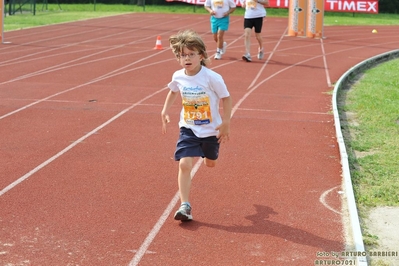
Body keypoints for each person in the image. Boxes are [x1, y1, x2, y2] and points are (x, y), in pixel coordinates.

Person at [161, 29, 232, 221]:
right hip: (189, 128)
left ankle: (209, 154)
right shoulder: (178, 76)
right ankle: (185, 205)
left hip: (211, 130)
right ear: (179, 58)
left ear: (201, 55)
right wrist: (165, 110)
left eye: (191, 54)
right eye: (183, 55)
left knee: (210, 163)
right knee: (184, 164)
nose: (187, 59)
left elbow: (226, 98)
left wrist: (225, 123)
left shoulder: (212, 78)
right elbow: (173, 91)